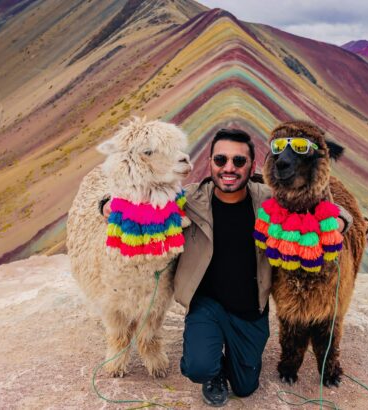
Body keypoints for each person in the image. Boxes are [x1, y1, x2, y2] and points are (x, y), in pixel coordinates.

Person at [103, 128, 350, 407]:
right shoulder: (191, 199)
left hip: (249, 308)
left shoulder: (268, 200)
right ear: (210, 163)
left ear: (252, 166)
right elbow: (143, 195)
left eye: (238, 161)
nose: (229, 168)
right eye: (220, 160)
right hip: (206, 305)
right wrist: (105, 206)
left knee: (245, 386)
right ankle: (212, 368)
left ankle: (233, 356)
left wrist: (341, 219)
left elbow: (313, 200)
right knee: (199, 366)